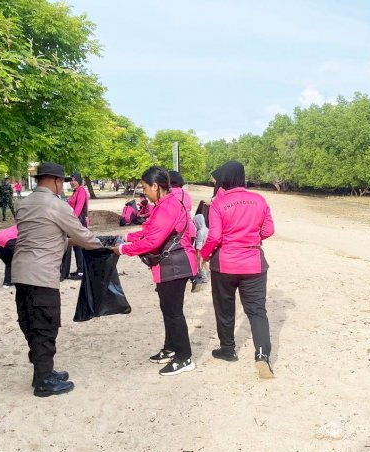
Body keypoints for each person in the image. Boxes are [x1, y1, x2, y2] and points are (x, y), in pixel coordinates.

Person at [11, 162, 102, 397]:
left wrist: (68, 242)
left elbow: (42, 236)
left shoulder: (25, 203)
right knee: (45, 325)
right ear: (55, 181)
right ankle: (44, 382)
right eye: (62, 181)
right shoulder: (56, 205)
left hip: (21, 272)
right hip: (42, 275)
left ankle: (43, 371)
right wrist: (102, 247)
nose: (63, 186)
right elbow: (81, 233)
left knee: (30, 321)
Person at [112, 166, 198, 376]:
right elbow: (151, 230)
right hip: (169, 265)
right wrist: (128, 237)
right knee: (167, 309)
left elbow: (152, 240)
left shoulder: (168, 205)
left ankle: (184, 357)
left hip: (176, 265)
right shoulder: (163, 204)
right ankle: (171, 348)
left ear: (156, 186)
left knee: (173, 312)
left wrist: (123, 249)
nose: (144, 193)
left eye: (145, 188)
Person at [200, 161, 275, 379]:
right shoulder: (260, 200)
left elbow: (214, 236)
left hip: (225, 263)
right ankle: (262, 356)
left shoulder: (219, 203)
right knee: (257, 311)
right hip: (253, 263)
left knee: (224, 307)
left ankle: (228, 349)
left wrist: (203, 256)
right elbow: (269, 230)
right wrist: (251, 238)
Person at [67, 172, 89, 280]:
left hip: (78, 222)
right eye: (71, 180)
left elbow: (79, 208)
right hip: (75, 221)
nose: (72, 182)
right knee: (76, 246)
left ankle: (81, 272)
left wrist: (72, 221)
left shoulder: (81, 191)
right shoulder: (75, 192)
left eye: (75, 180)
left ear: (79, 180)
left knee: (79, 246)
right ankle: (80, 269)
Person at [191, 200, 210, 292]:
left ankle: (204, 277)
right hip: (207, 249)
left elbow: (198, 243)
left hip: (201, 250)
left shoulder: (200, 231)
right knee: (204, 264)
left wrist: (197, 252)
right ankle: (204, 276)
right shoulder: (207, 229)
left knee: (201, 264)